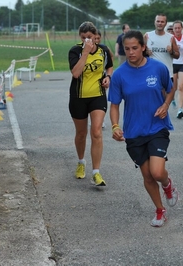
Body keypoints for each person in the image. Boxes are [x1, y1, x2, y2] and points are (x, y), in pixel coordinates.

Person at [109, 30, 179, 227]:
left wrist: (165, 105)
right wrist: (115, 126)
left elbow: (170, 88)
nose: (130, 52)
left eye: (134, 48)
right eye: (127, 49)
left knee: (157, 172)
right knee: (147, 175)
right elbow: (114, 105)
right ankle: (160, 210)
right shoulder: (120, 74)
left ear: (142, 47)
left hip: (157, 127)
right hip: (133, 132)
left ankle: (167, 184)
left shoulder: (158, 68)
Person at [68, 21, 113, 186]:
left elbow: (109, 67)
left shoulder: (103, 50)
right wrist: (85, 53)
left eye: (90, 37)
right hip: (78, 97)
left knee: (96, 132)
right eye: (84, 37)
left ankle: (96, 172)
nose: (87, 40)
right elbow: (75, 73)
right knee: (81, 134)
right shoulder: (75, 51)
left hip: (97, 96)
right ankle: (81, 162)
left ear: (96, 37)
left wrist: (109, 77)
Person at [144, 14, 180, 86]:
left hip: (167, 74)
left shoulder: (171, 37)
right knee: (152, 96)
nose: (160, 23)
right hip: (151, 73)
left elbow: (177, 55)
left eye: (162, 22)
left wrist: (171, 52)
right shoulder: (147, 36)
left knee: (167, 96)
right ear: (154, 22)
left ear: (165, 23)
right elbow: (140, 53)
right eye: (158, 21)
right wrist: (146, 53)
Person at [172, 20, 183, 119]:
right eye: (175, 28)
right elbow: (167, 52)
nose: (177, 30)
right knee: (174, 87)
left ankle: (180, 109)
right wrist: (173, 49)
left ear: (182, 28)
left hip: (182, 63)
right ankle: (172, 99)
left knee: (181, 86)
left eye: (179, 28)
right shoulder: (170, 38)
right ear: (173, 29)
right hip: (173, 64)